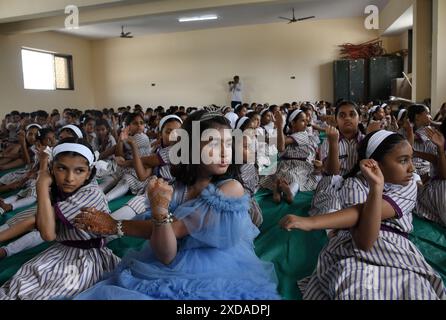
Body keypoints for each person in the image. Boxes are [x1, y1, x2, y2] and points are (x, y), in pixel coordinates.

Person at [72, 109, 280, 300]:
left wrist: (115, 225)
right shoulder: (177, 187)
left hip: (214, 267)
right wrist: (157, 210)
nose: (225, 152)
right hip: (169, 258)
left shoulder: (231, 188)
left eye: (228, 144)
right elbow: (165, 251)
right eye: (214, 144)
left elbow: (175, 230)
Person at [280, 130, 446, 300]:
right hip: (354, 249)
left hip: (397, 249)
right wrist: (376, 187)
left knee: (415, 289)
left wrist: (312, 223)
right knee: (358, 287)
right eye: (403, 160)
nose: (412, 167)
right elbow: (365, 242)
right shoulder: (354, 184)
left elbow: (361, 213)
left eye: (410, 159)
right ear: (376, 164)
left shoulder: (408, 185)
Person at [0, 138, 120, 299]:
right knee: (20, 283)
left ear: (89, 173)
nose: (69, 178)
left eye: (79, 171)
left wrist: (41, 186)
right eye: (62, 168)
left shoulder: (91, 193)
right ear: (52, 169)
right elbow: (37, 219)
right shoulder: (61, 188)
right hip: (61, 250)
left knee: (46, 293)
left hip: (85, 258)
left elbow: (48, 234)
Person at [309, 101, 364, 220]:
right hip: (332, 182)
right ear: (336, 120)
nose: (347, 118)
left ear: (360, 118)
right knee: (331, 204)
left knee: (358, 205)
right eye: (342, 115)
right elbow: (332, 172)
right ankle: (333, 231)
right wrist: (334, 143)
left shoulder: (366, 140)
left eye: (352, 114)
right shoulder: (329, 141)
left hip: (359, 183)